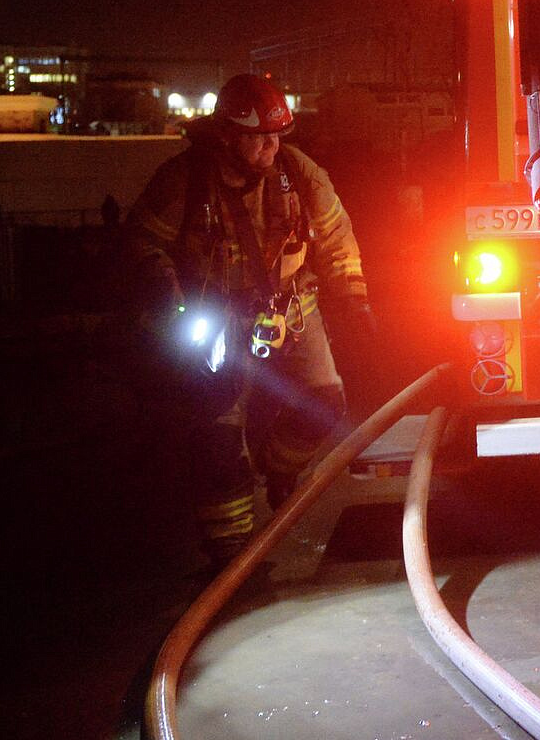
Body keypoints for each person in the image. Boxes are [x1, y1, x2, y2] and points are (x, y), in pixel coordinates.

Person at [127, 73, 375, 565]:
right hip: (215, 319)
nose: (271, 146)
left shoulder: (299, 174)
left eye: (278, 135)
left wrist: (355, 300)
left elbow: (335, 239)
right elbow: (142, 243)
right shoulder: (184, 181)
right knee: (219, 431)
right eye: (260, 137)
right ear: (226, 135)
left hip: (290, 308)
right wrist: (164, 294)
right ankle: (232, 553)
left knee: (324, 401)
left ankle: (279, 472)